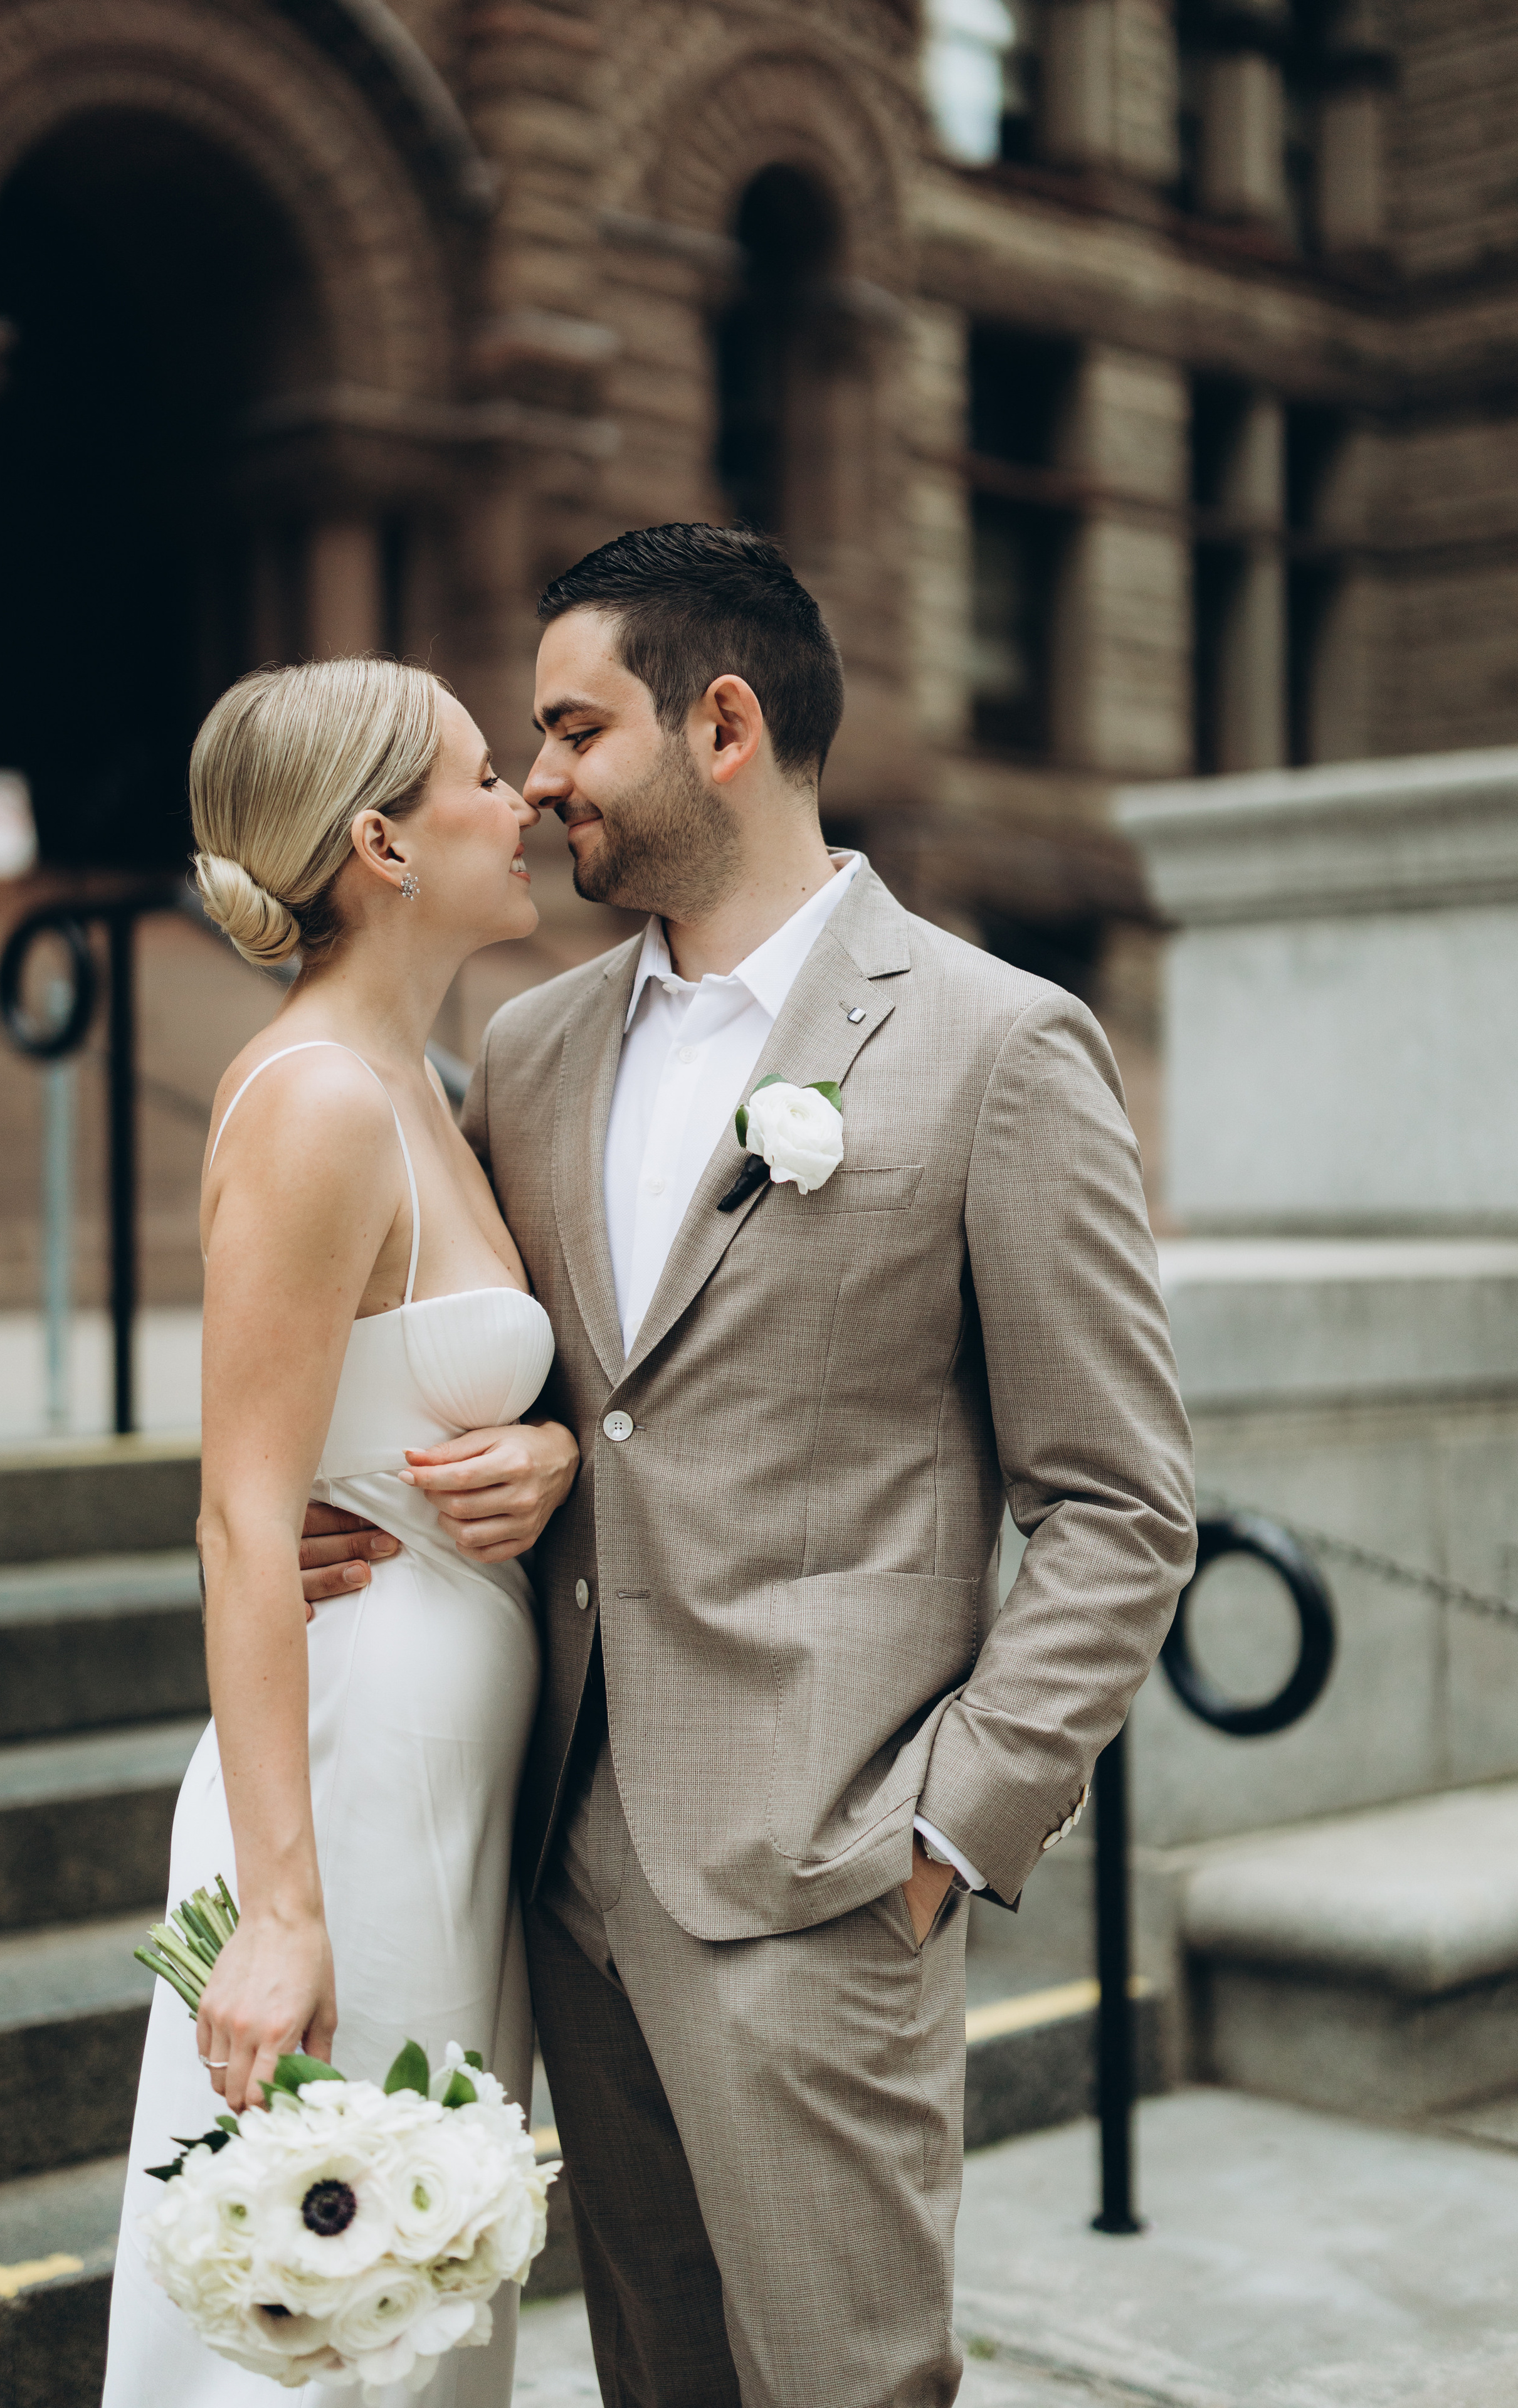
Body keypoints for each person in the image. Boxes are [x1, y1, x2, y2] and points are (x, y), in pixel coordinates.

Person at [302, 524, 1196, 2407]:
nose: (534, 783)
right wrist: (399, 1496)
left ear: (722, 724)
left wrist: (944, 1838)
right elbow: (562, 1386)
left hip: (829, 1872)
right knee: (659, 2378)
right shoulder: (529, 1049)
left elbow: (1120, 1507)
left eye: (570, 730)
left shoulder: (996, 1044)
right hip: (564, 1863)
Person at [103, 657, 580, 2408]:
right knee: (332, 2311)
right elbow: (244, 1514)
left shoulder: (428, 1085)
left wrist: (544, 1458)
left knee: (421, 2297)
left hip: (445, 1770)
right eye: (478, 775)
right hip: (353, 1771)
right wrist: (282, 1911)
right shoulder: (314, 1098)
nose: (521, 794)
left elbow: (396, 1397)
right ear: (379, 838)